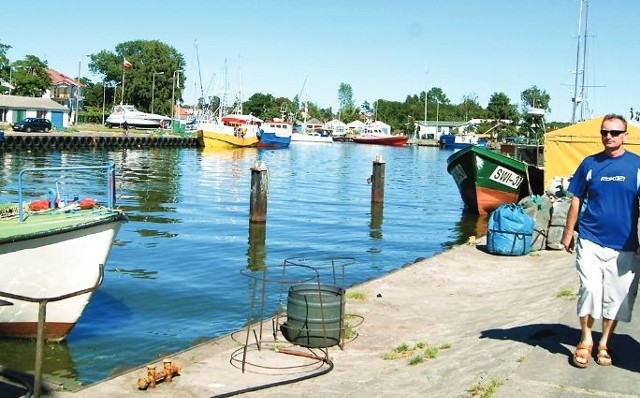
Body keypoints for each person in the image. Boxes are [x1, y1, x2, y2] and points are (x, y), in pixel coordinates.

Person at [561, 113, 640, 368]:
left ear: (625, 136)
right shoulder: (589, 163)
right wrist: (568, 232)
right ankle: (585, 340)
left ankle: (604, 341)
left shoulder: (637, 166)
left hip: (625, 244)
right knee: (591, 289)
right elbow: (576, 199)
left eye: (615, 133)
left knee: (617, 297)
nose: (609, 137)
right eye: (605, 132)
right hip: (591, 239)